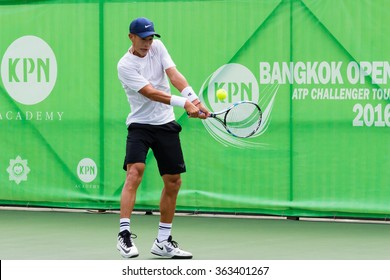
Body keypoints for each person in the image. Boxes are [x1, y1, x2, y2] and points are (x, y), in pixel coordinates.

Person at [116, 17, 210, 259]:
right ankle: (124, 236)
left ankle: (163, 241)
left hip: (165, 123)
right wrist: (184, 103)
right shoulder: (125, 65)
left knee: (173, 181)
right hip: (140, 125)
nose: (148, 44)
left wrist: (196, 101)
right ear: (131, 38)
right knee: (134, 171)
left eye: (150, 39)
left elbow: (174, 75)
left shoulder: (157, 48)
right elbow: (150, 93)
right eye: (143, 39)